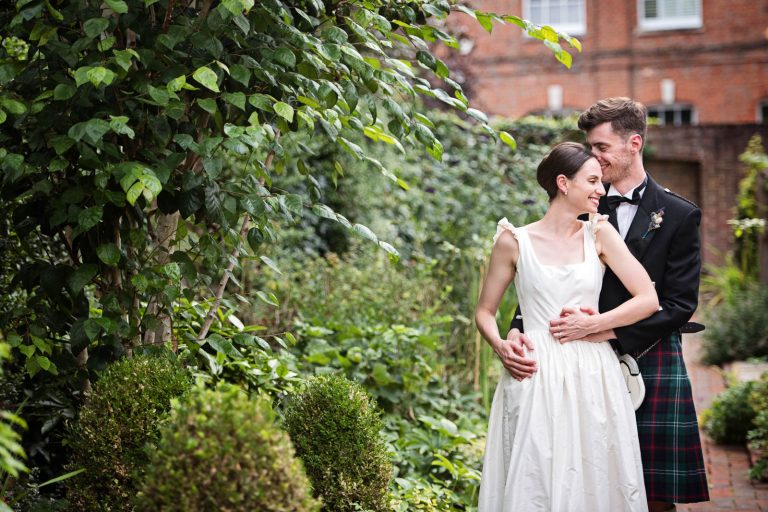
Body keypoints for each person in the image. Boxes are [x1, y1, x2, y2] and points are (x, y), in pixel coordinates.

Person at [506, 98, 710, 511]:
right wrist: (517, 325)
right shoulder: (577, 205)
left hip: (649, 356)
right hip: (572, 363)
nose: (592, 156)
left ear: (634, 143)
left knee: (650, 493)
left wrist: (604, 328)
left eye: (601, 148)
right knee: (576, 481)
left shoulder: (677, 214)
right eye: (589, 147)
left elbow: (678, 304)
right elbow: (543, 276)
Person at [475, 141, 659, 511]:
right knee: (535, 476)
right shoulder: (513, 241)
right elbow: (484, 311)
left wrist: (592, 326)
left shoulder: (599, 234)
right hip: (535, 373)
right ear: (563, 183)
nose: (600, 190)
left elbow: (647, 299)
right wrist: (500, 345)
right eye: (592, 180)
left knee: (596, 476)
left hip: (594, 373)